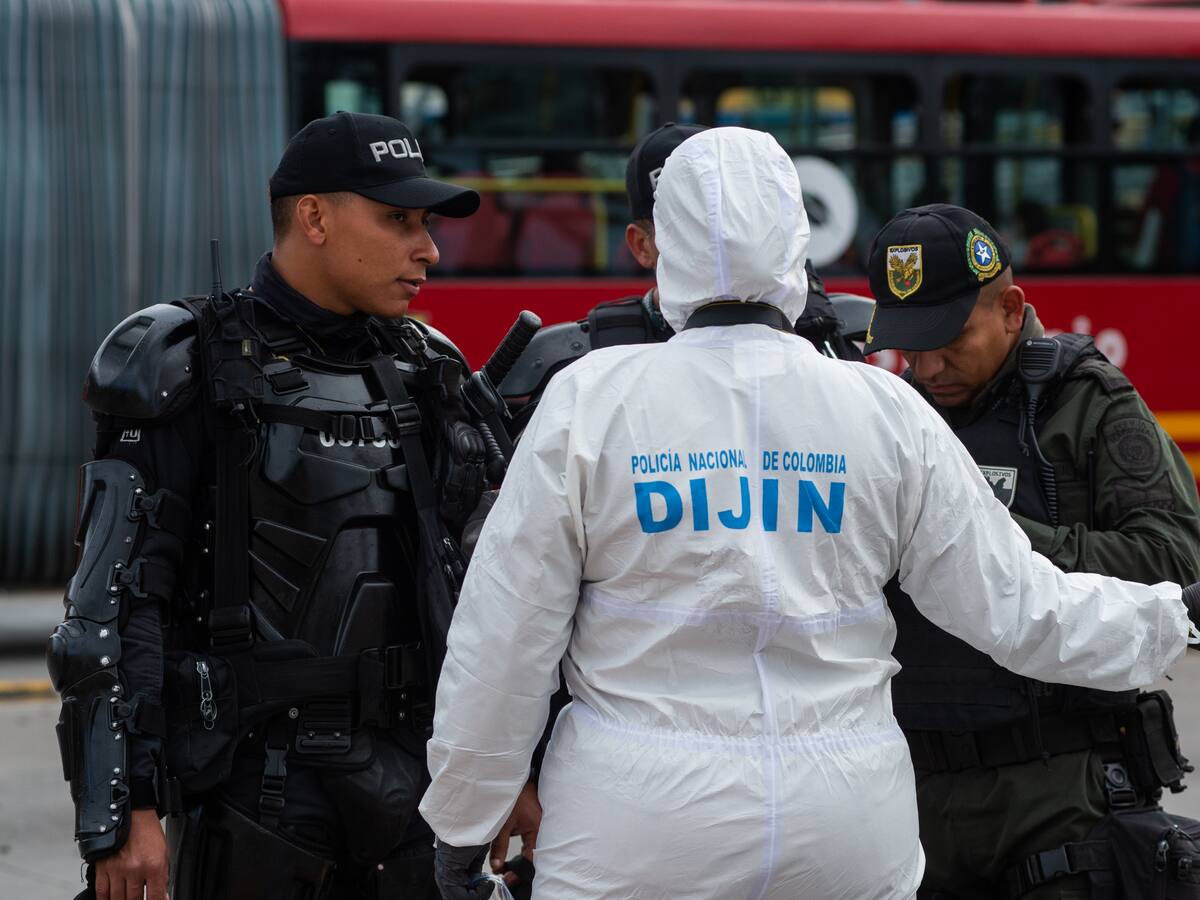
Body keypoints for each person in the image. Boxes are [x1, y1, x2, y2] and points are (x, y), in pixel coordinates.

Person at [417, 126, 1198, 900]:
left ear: (665, 243)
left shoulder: (588, 401)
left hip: (640, 828)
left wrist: (462, 825)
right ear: (799, 242)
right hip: (847, 824)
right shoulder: (882, 408)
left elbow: (505, 640)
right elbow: (1019, 606)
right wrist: (1173, 617)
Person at [47, 111, 490, 900]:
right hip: (255, 799)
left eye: (425, 224)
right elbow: (112, 606)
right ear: (314, 216)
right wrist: (122, 812)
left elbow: (506, 588)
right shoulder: (188, 361)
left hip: (417, 796)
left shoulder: (428, 368)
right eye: (398, 220)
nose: (426, 249)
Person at [861, 203, 1200, 899]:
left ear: (1012, 310)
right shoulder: (887, 415)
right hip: (911, 792)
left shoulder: (1085, 403)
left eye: (949, 338)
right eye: (909, 343)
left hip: (1055, 793)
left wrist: (987, 540)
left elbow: (1177, 560)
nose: (926, 365)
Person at [497, 122, 863, 425]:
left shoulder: (827, 334)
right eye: (686, 225)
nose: (720, 238)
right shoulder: (582, 369)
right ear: (641, 245)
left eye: (729, 216)